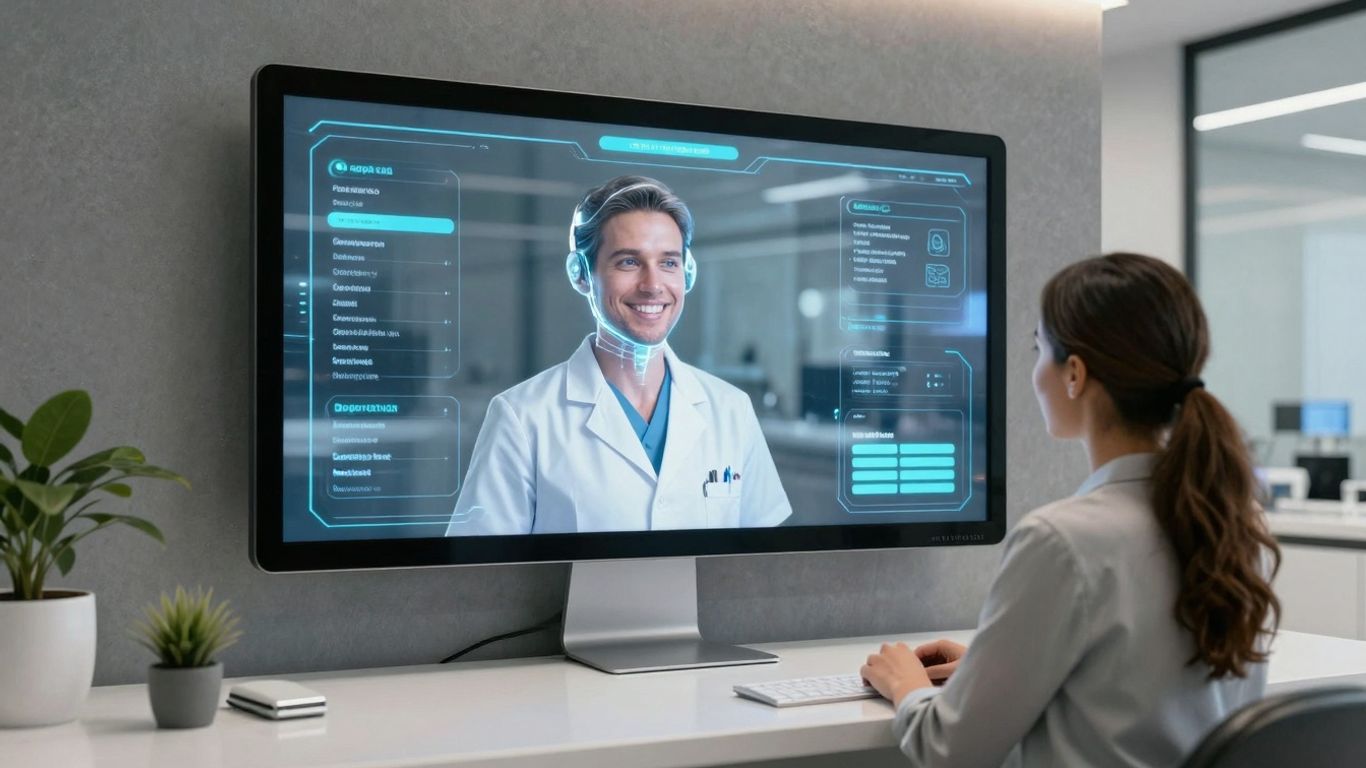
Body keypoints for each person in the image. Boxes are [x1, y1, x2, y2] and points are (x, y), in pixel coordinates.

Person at [859, 253, 1281, 766]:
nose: (1036, 372)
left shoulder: (1061, 540)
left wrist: (907, 687)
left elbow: (950, 750)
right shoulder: (1234, 525)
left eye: (1040, 351)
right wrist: (995, 673)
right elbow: (1143, 693)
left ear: (1074, 374)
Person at [446, 176, 792, 535]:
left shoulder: (731, 409)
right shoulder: (522, 418)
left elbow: (763, 565)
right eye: (629, 262)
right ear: (580, 274)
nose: (653, 285)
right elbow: (478, 576)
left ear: (687, 273)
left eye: (668, 263)